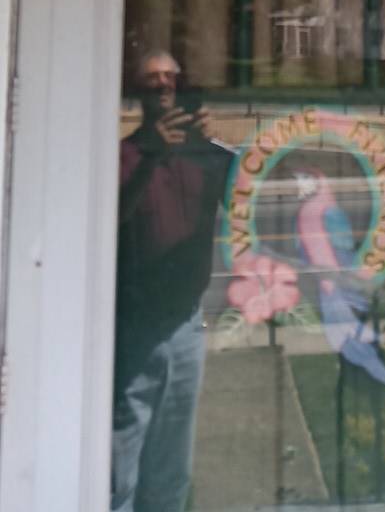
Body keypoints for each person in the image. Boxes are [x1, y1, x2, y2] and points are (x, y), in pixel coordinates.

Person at [111, 50, 231, 512]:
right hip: (135, 329)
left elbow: (244, 199)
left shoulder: (202, 157)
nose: (163, 86)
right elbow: (112, 217)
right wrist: (150, 159)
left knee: (172, 471)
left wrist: (210, 141)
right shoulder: (124, 156)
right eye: (152, 80)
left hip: (186, 326)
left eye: (170, 78)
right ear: (137, 93)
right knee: (119, 469)